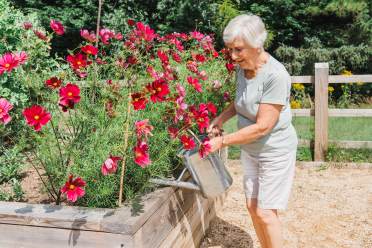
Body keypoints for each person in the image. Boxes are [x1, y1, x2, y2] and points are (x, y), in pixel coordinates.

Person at [207, 14, 298, 248]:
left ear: (257, 45)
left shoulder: (276, 75)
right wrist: (220, 118)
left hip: (274, 150)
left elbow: (263, 126)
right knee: (252, 206)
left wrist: (222, 142)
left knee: (266, 212)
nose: (233, 56)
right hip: (251, 150)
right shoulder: (243, 68)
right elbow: (241, 101)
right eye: (230, 49)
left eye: (238, 49)